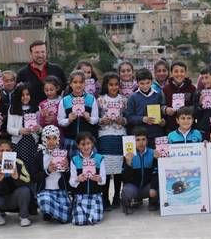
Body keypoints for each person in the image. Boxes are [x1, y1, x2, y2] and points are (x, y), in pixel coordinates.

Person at [0, 139, 33, 227]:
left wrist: (17, 177)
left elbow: (28, 181)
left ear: (12, 152)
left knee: (25, 190)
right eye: (1, 151)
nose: (4, 153)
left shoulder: (18, 162)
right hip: (0, 200)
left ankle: (24, 216)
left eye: (8, 151)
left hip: (15, 198)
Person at [97, 72, 128, 211]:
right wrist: (101, 121)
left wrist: (123, 121)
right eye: (111, 84)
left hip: (120, 135)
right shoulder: (100, 100)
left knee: (118, 169)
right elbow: (95, 119)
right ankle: (105, 197)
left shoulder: (124, 100)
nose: (114, 87)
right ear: (106, 85)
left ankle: (116, 197)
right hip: (105, 136)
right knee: (106, 168)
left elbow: (127, 117)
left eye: (116, 84)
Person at [32, 126, 71, 224]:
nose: (51, 141)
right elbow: (34, 177)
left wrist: (67, 168)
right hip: (45, 191)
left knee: (66, 218)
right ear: (43, 139)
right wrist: (47, 171)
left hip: (60, 190)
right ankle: (49, 210)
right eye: (48, 138)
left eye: (54, 138)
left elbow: (70, 177)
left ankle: (52, 211)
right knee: (45, 201)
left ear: (58, 139)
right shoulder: (39, 155)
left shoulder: (63, 154)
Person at [58, 70, 100, 157]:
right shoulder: (65, 100)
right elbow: (60, 120)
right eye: (75, 82)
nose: (78, 85)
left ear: (85, 84)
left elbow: (96, 119)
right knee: (71, 167)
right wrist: (68, 120)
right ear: (70, 84)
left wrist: (89, 118)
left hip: (87, 142)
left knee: (88, 167)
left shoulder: (91, 99)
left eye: (81, 82)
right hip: (71, 140)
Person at [69, 132, 106, 226]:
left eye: (88, 143)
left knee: (95, 219)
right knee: (79, 221)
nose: (86, 147)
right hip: (80, 196)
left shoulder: (100, 158)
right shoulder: (74, 160)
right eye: (83, 144)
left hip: (95, 195)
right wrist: (77, 179)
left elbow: (104, 180)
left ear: (92, 144)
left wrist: (99, 179)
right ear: (78, 146)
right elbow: (71, 182)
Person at [16, 40, 67, 107]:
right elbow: (18, 94)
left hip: (57, 112)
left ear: (46, 53)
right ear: (31, 54)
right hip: (33, 113)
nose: (40, 55)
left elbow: (66, 88)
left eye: (43, 52)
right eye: (37, 52)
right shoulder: (22, 74)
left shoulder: (57, 70)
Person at [120, 127, 159, 214]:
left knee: (158, 186)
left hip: (147, 187)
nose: (141, 142)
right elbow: (125, 179)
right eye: (137, 140)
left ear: (147, 140)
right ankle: (127, 204)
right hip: (134, 187)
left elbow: (156, 173)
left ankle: (153, 202)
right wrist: (128, 164)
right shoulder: (128, 154)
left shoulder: (153, 153)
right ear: (133, 141)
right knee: (127, 190)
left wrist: (153, 187)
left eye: (143, 139)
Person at [123, 69, 165, 148]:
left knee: (156, 158)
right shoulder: (133, 97)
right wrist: (142, 119)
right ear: (137, 82)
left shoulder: (158, 95)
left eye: (147, 83)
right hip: (140, 136)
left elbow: (162, 111)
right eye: (142, 83)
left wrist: (162, 121)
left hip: (156, 133)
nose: (145, 86)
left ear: (151, 81)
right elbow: (129, 117)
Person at [7, 83, 41, 169]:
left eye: (27, 94)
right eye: (22, 95)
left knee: (32, 165)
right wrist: (19, 131)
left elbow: (40, 128)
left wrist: (38, 129)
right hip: (18, 143)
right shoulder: (13, 108)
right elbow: (9, 129)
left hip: (32, 142)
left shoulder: (36, 108)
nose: (25, 97)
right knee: (19, 166)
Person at [162, 61, 196, 132]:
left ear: (186, 73)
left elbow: (195, 106)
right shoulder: (165, 89)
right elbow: (161, 105)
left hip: (188, 128)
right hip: (171, 128)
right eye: (176, 71)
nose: (179, 74)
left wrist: (186, 110)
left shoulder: (192, 88)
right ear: (171, 73)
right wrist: (166, 109)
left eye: (182, 71)